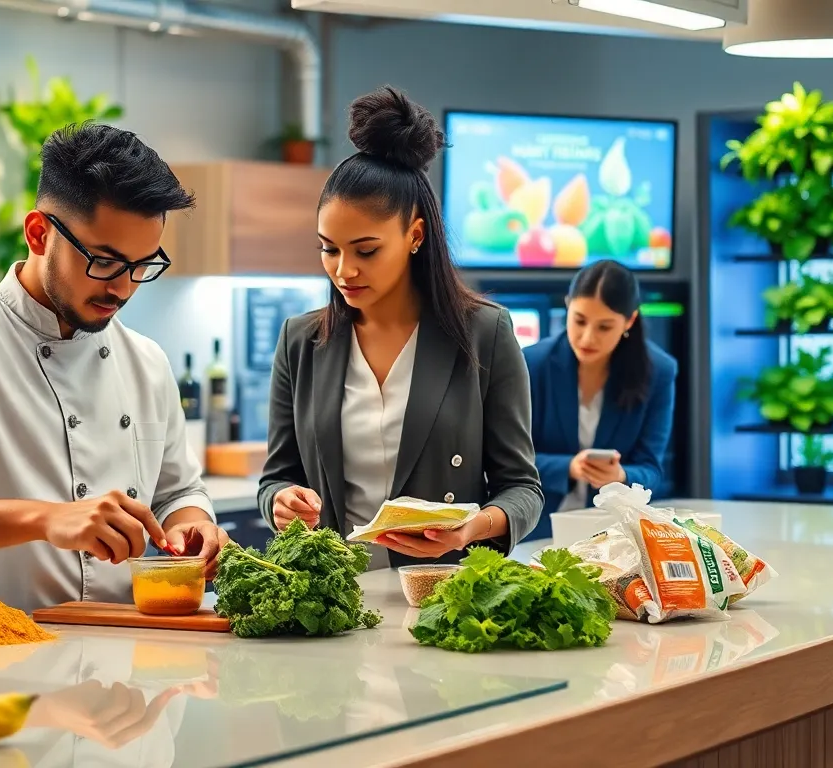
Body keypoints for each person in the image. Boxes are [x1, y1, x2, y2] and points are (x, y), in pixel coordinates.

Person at [0, 122, 229, 631]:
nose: (122, 288)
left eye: (142, 265)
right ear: (38, 233)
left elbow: (176, 491)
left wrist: (195, 525)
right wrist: (48, 519)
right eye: (104, 261)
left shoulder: (145, 360)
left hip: (131, 675)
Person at [257, 86, 544, 569]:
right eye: (329, 249)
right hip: (332, 598)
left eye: (366, 251)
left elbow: (522, 489)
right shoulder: (300, 341)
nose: (344, 270)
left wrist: (470, 529)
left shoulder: (484, 334)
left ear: (414, 235)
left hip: (442, 593)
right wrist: (281, 501)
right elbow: (276, 478)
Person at [521, 259, 677, 540]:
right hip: (535, 530)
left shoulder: (659, 371)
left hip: (616, 536)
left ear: (629, 321)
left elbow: (652, 470)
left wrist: (620, 477)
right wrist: (569, 467)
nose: (587, 337)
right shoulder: (531, 364)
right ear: (568, 305)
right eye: (579, 320)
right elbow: (506, 462)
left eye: (605, 327)